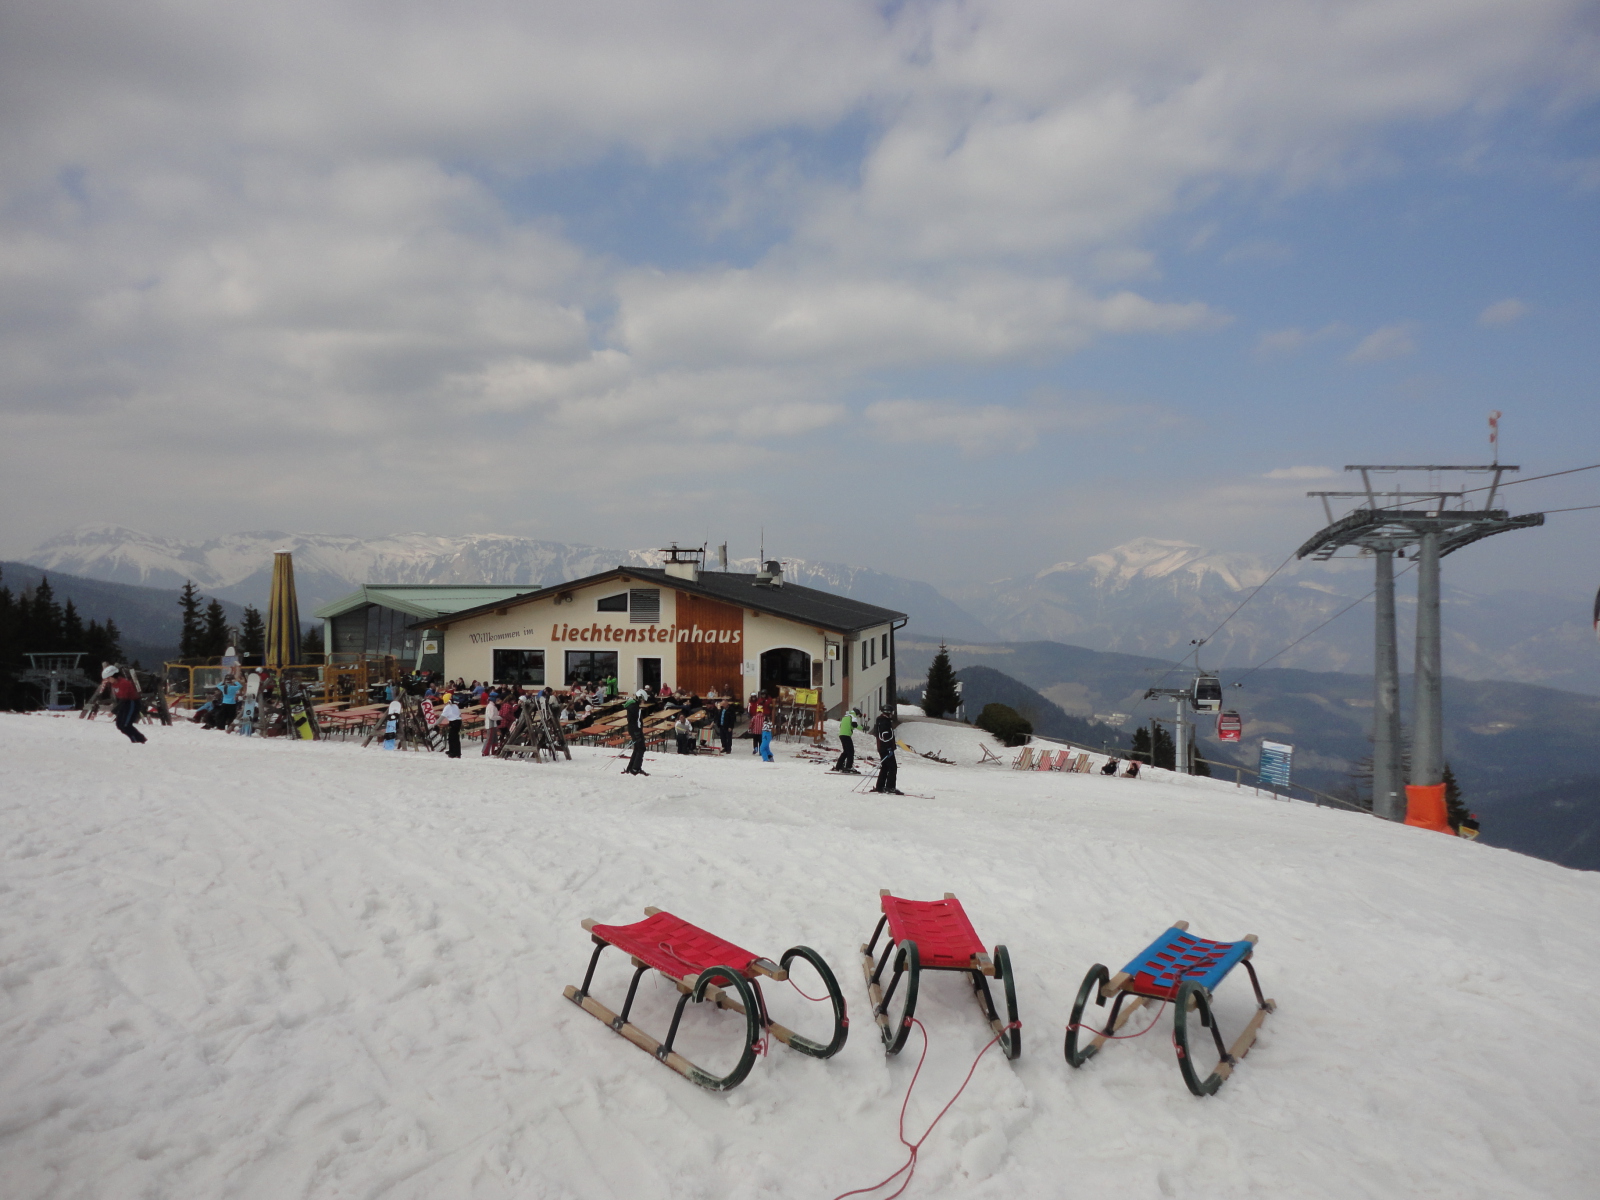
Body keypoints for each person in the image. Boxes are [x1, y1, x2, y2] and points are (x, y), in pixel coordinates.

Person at [108, 668, 147, 744]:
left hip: (131, 703)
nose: (108, 680)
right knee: (120, 725)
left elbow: (124, 699)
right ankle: (139, 738)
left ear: (113, 676)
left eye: (109, 678)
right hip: (124, 703)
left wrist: (114, 711)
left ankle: (138, 740)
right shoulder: (114, 684)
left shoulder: (123, 683)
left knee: (126, 725)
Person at [872, 704, 901, 794]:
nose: (892, 714)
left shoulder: (882, 720)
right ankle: (890, 787)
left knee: (885, 767)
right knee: (893, 767)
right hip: (886, 748)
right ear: (888, 713)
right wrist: (889, 747)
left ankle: (880, 786)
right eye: (891, 712)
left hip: (883, 748)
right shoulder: (884, 721)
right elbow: (885, 736)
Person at [623, 688, 649, 775]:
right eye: (642, 700)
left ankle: (631, 767)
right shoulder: (634, 707)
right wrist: (638, 732)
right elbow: (637, 720)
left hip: (633, 729)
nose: (642, 702)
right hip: (635, 730)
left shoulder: (632, 705)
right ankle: (635, 768)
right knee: (641, 748)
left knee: (637, 748)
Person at [834, 707, 861, 774]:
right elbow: (854, 725)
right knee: (850, 751)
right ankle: (848, 767)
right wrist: (863, 728)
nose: (857, 716)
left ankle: (838, 766)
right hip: (846, 735)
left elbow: (844, 725)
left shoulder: (846, 716)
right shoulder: (853, 716)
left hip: (841, 734)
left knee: (845, 751)